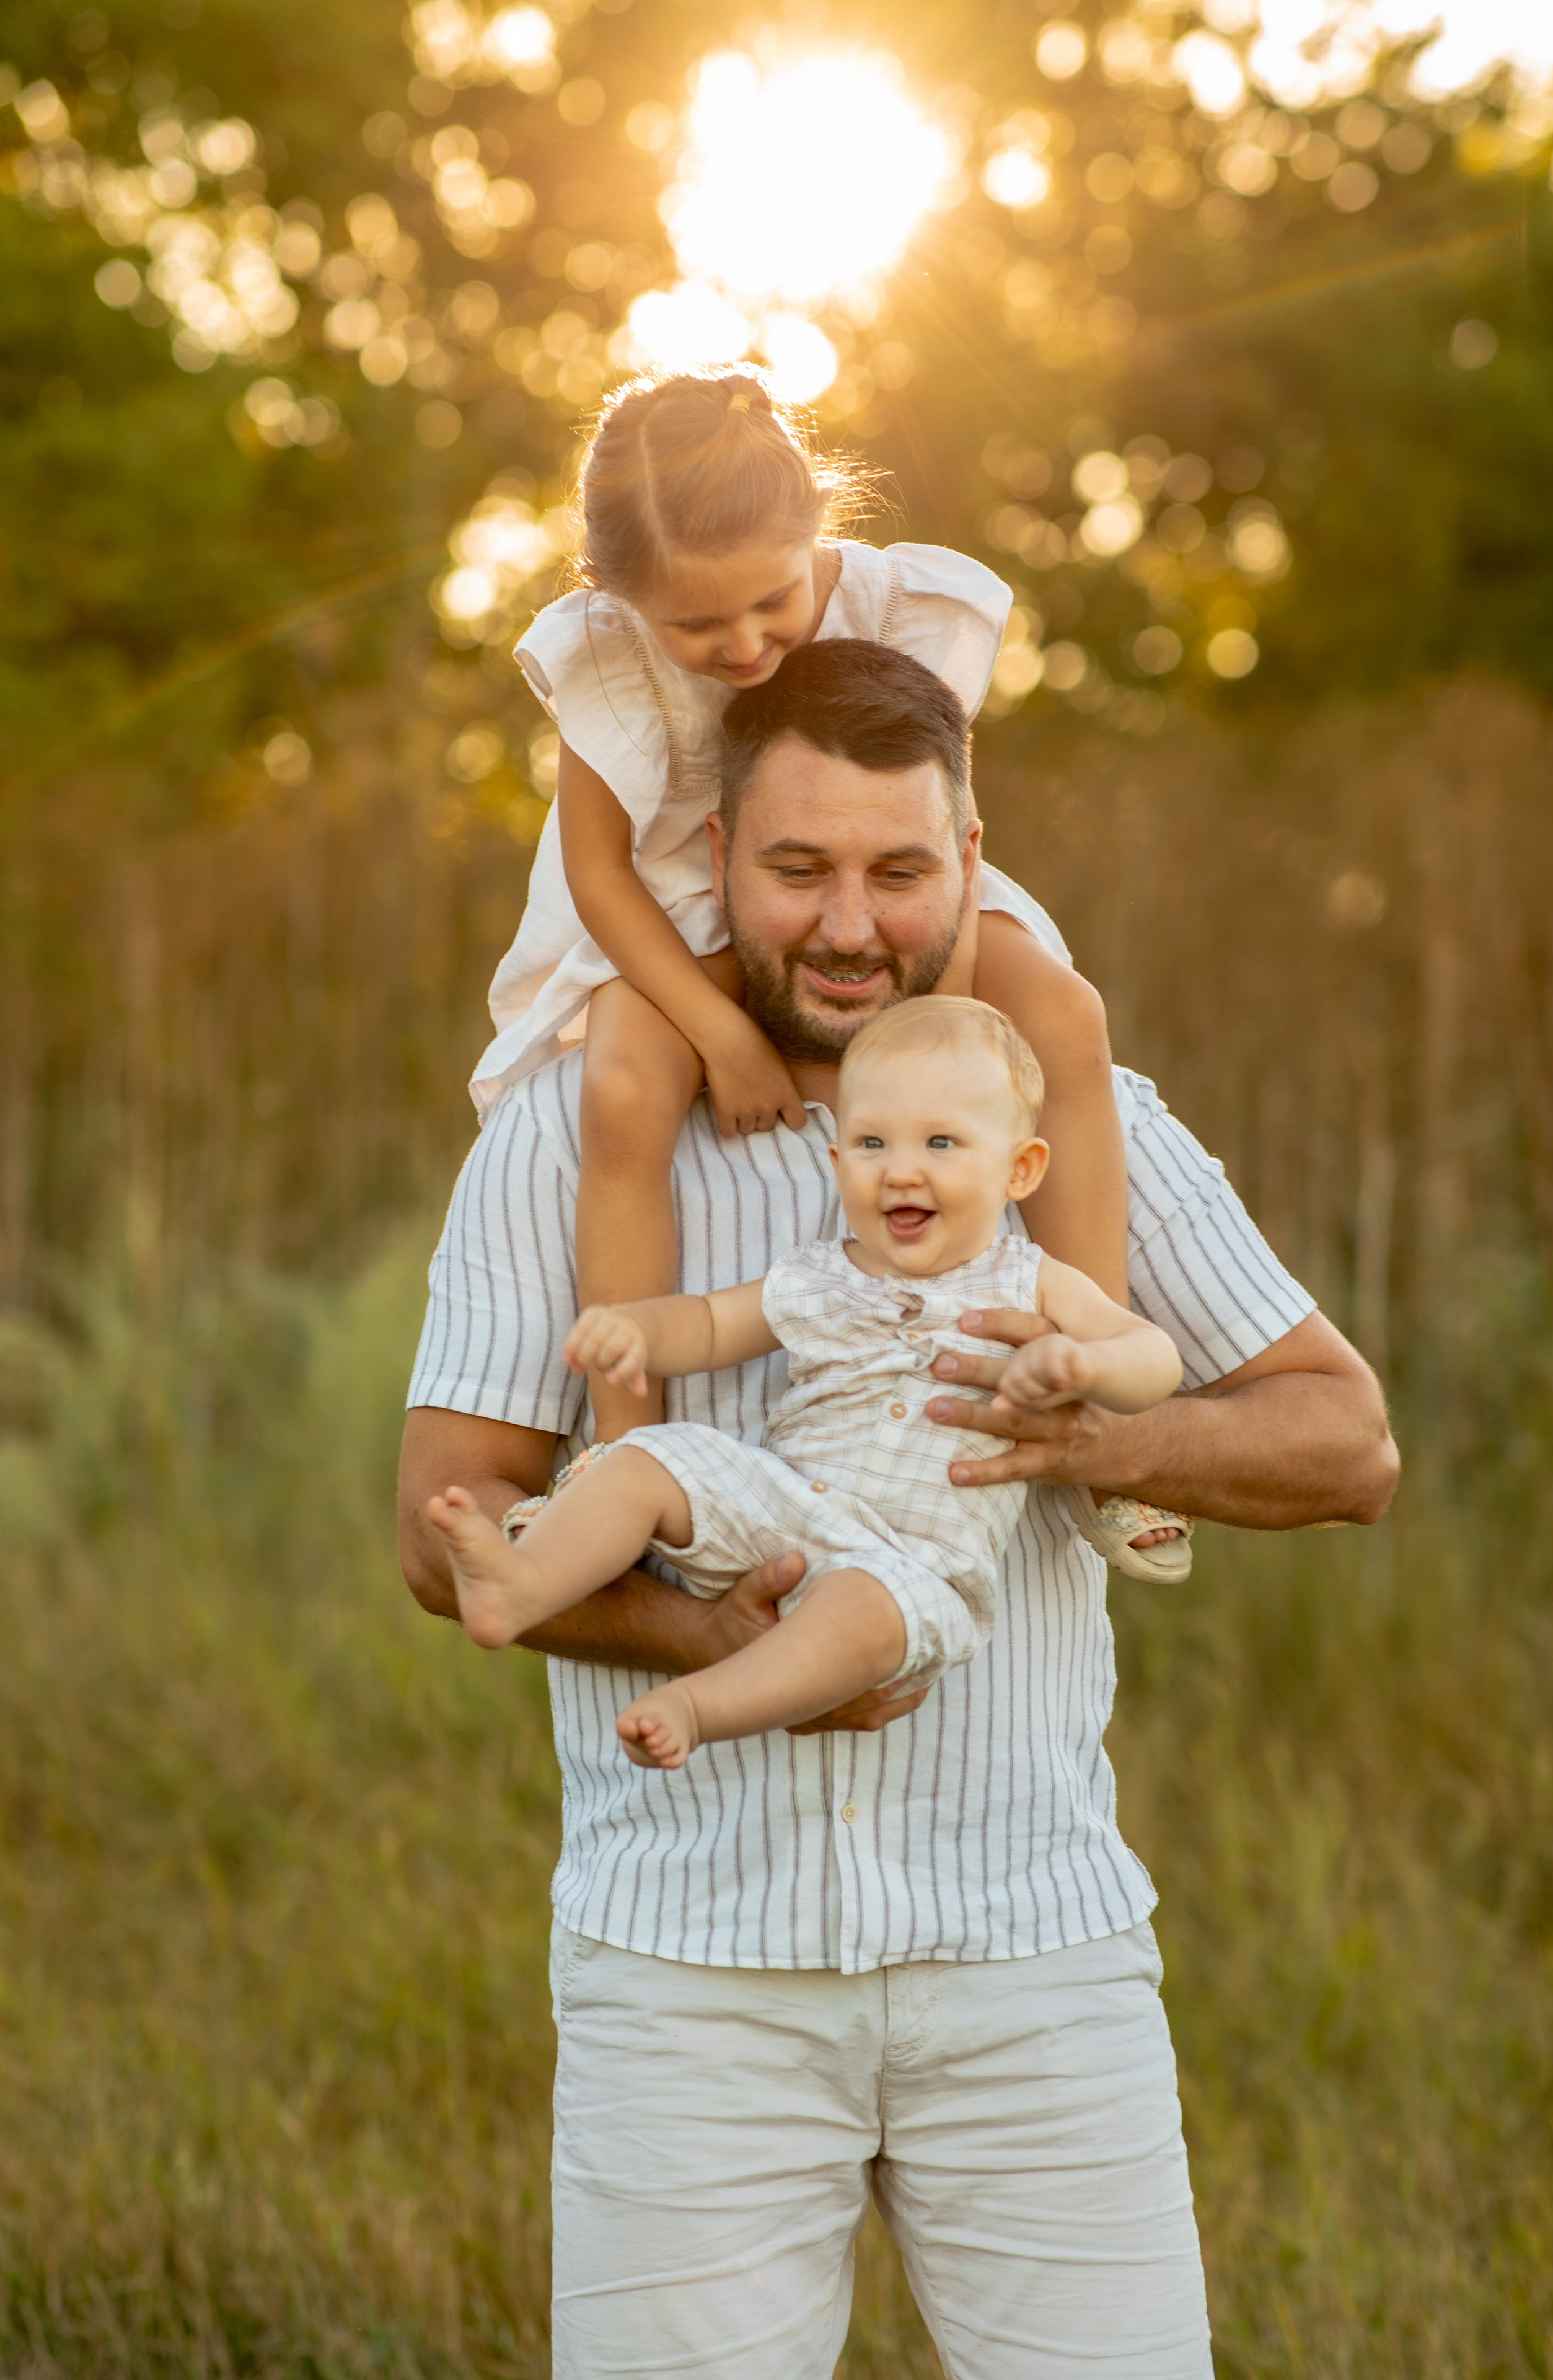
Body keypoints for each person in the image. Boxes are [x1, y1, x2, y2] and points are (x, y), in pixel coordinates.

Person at [400, 639, 1399, 2378]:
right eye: (798, 870)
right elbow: (445, 1519)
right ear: (718, 863)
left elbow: (1347, 1443)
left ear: (972, 861)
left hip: (1033, 1958)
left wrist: (1098, 1443)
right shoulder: (570, 1132)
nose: (850, 922)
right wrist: (740, 1643)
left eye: (898, 870)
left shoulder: (1065, 1132)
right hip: (689, 1965)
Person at [473, 364, 1191, 1580]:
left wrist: (943, 1021)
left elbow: (937, 823)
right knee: (622, 1083)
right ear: (617, 599)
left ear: (815, 529)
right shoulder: (602, 660)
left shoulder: (905, 609)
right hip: (672, 900)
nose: (744, 645)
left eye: (770, 602)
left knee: (1061, 1016)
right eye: (699, 629)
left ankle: (1091, 1416)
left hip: (866, 874)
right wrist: (719, 1029)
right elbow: (600, 881)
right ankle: (618, 1455)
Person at [426, 997, 1184, 1770]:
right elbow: (713, 1325)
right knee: (647, 1459)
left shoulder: (1032, 1282)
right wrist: (639, 1332)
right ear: (837, 1162)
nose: (902, 1169)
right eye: (871, 1142)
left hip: (916, 1569)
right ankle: (522, 1583)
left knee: (857, 1611)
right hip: (784, 1509)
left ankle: (696, 1706)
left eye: (943, 1142)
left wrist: (1085, 1366)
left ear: (1018, 1168)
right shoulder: (818, 1274)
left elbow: (1152, 1358)